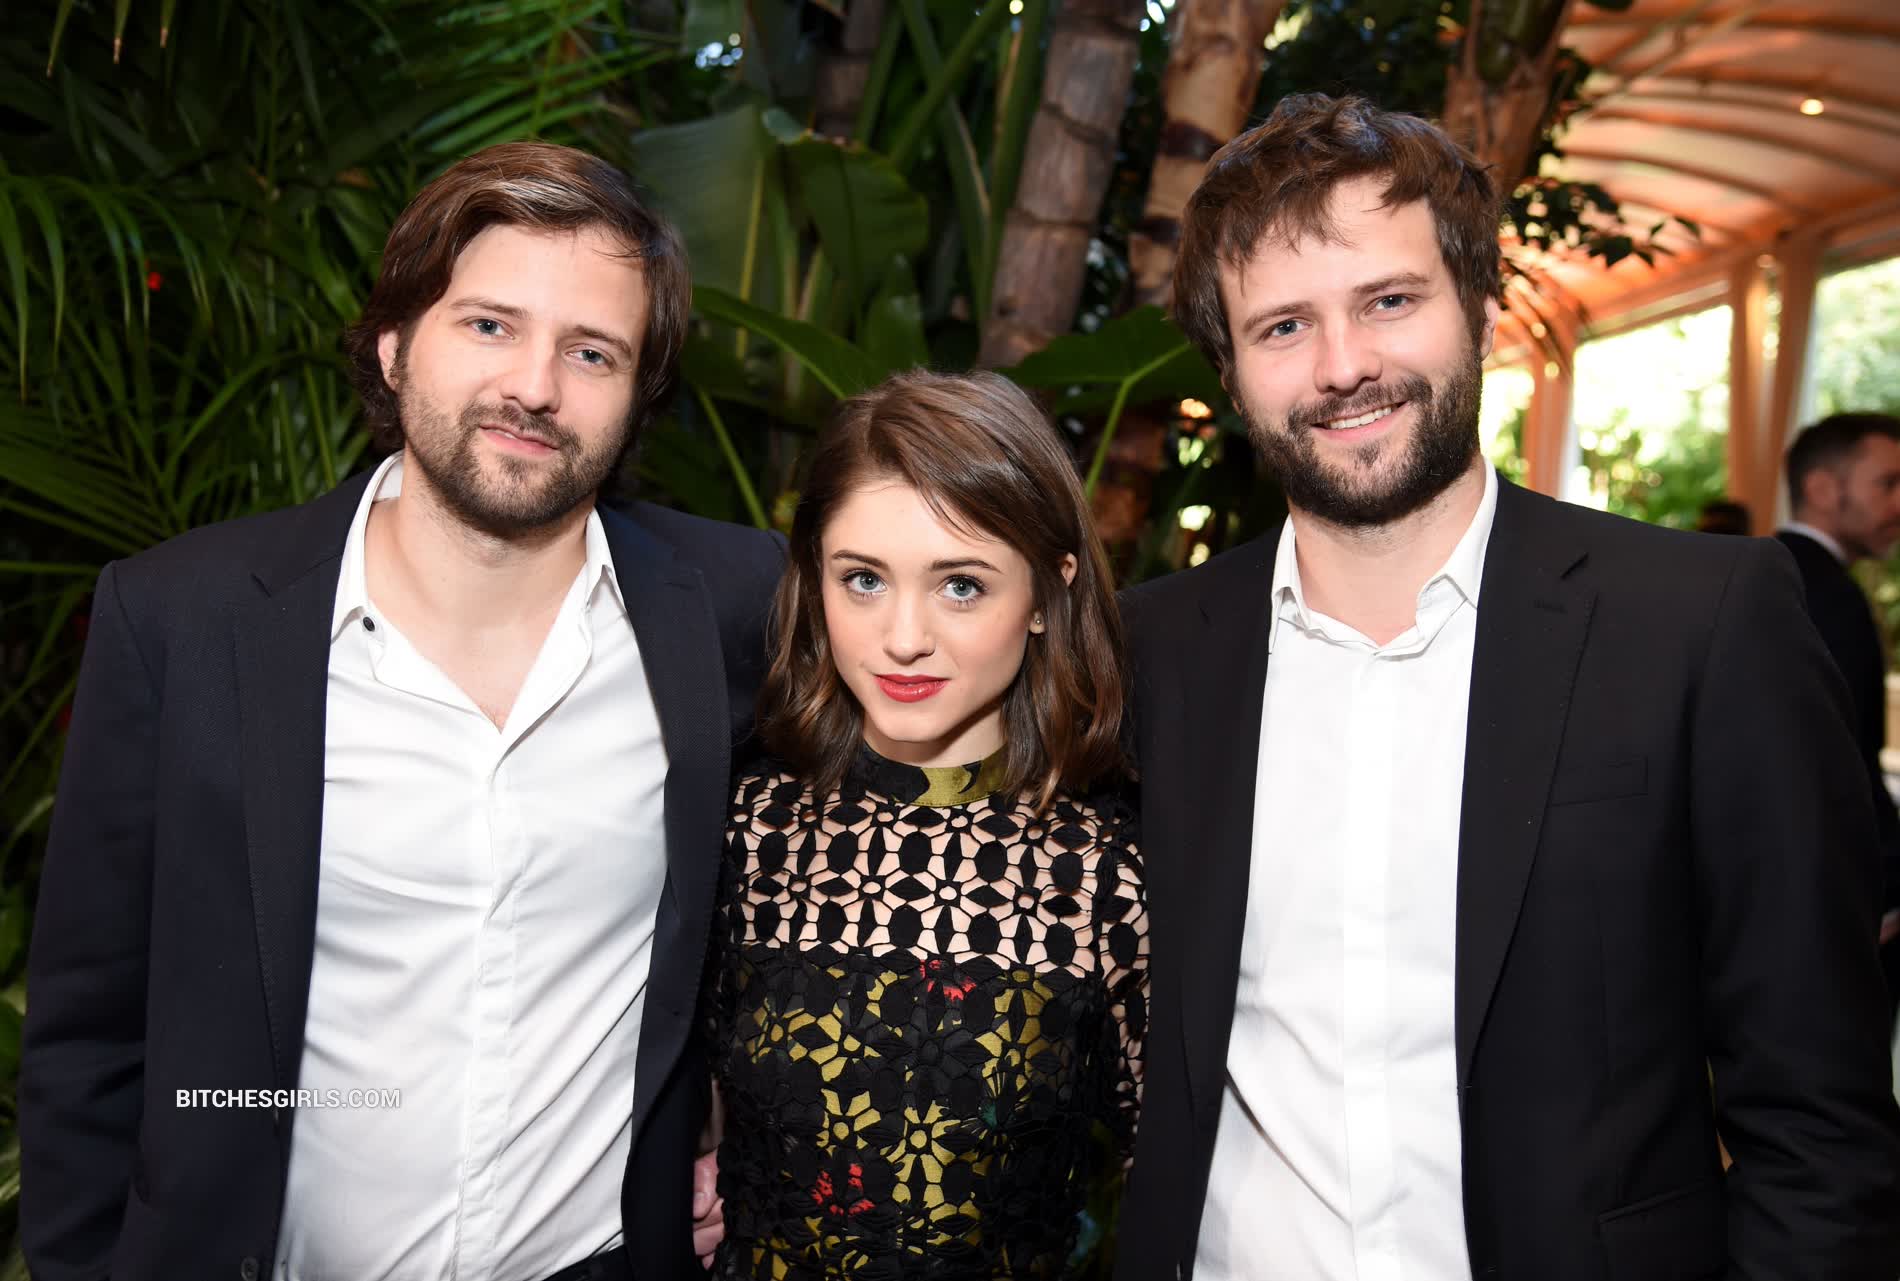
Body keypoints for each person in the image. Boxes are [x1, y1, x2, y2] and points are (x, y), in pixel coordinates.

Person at [1114, 94, 1900, 1280]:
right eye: (1282, 326)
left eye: (1389, 300)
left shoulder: (1699, 624)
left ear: (1481, 308)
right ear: (1229, 376)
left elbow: (1818, 1123)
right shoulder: (1148, 654)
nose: (1343, 366)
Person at [21, 142, 780, 1281]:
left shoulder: (732, 605)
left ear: (637, 395)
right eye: (489, 325)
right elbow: (88, 1031)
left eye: (591, 352)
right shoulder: (183, 621)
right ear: (393, 344)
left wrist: (729, 1125)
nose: (534, 386)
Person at [703, 370, 1146, 1278]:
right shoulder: (743, 830)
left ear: (1047, 593)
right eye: (863, 579)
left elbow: (1179, 1177)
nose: (904, 637)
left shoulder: (1110, 871)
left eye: (962, 586)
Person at [1779, 412, 1900, 1023]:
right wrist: (1882, 886)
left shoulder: (1769, 574)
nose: (1899, 503)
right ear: (1824, 488)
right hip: (1835, 897)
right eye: (1888, 484)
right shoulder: (1824, 593)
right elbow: (1832, 759)